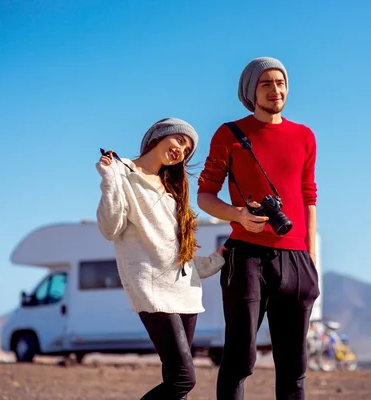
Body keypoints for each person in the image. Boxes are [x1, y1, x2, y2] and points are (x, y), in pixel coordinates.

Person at [197, 57, 321, 399]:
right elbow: (205, 196)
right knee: (239, 360)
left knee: (294, 368)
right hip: (247, 257)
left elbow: (309, 198)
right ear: (250, 91)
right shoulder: (229, 134)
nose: (275, 90)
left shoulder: (304, 136)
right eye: (266, 83)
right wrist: (237, 214)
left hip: (296, 260)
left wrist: (310, 258)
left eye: (280, 83)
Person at [95, 117, 226, 400]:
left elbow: (179, 257)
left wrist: (215, 260)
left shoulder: (171, 192)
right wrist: (109, 181)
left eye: (187, 150)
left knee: (176, 387)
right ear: (159, 135)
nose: (181, 150)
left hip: (186, 292)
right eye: (179, 140)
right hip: (153, 290)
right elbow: (110, 228)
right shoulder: (123, 173)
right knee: (183, 379)